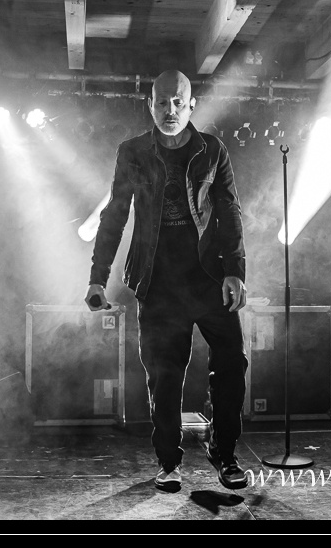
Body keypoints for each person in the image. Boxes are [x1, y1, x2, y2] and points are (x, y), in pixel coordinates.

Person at [85, 70, 249, 492]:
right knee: (164, 375)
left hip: (208, 278)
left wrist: (234, 271)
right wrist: (97, 278)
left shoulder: (212, 150)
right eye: (162, 102)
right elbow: (115, 215)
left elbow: (229, 211)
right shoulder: (133, 152)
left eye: (178, 102)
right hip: (158, 283)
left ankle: (225, 452)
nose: (169, 110)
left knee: (231, 364)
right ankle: (169, 462)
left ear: (191, 105)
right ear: (150, 105)